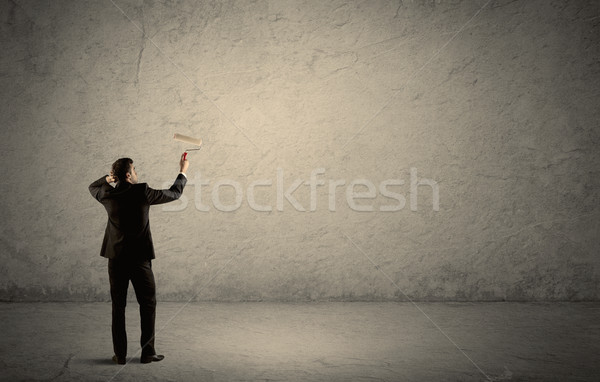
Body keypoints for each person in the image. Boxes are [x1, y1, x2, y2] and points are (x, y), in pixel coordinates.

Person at [88, 153, 189, 364]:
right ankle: (147, 353)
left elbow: (92, 187)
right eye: (135, 170)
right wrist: (183, 170)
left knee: (118, 306)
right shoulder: (143, 192)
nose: (137, 173)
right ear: (128, 175)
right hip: (140, 260)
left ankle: (121, 355)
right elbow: (174, 193)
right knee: (148, 304)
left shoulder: (107, 194)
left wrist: (107, 179)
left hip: (115, 259)